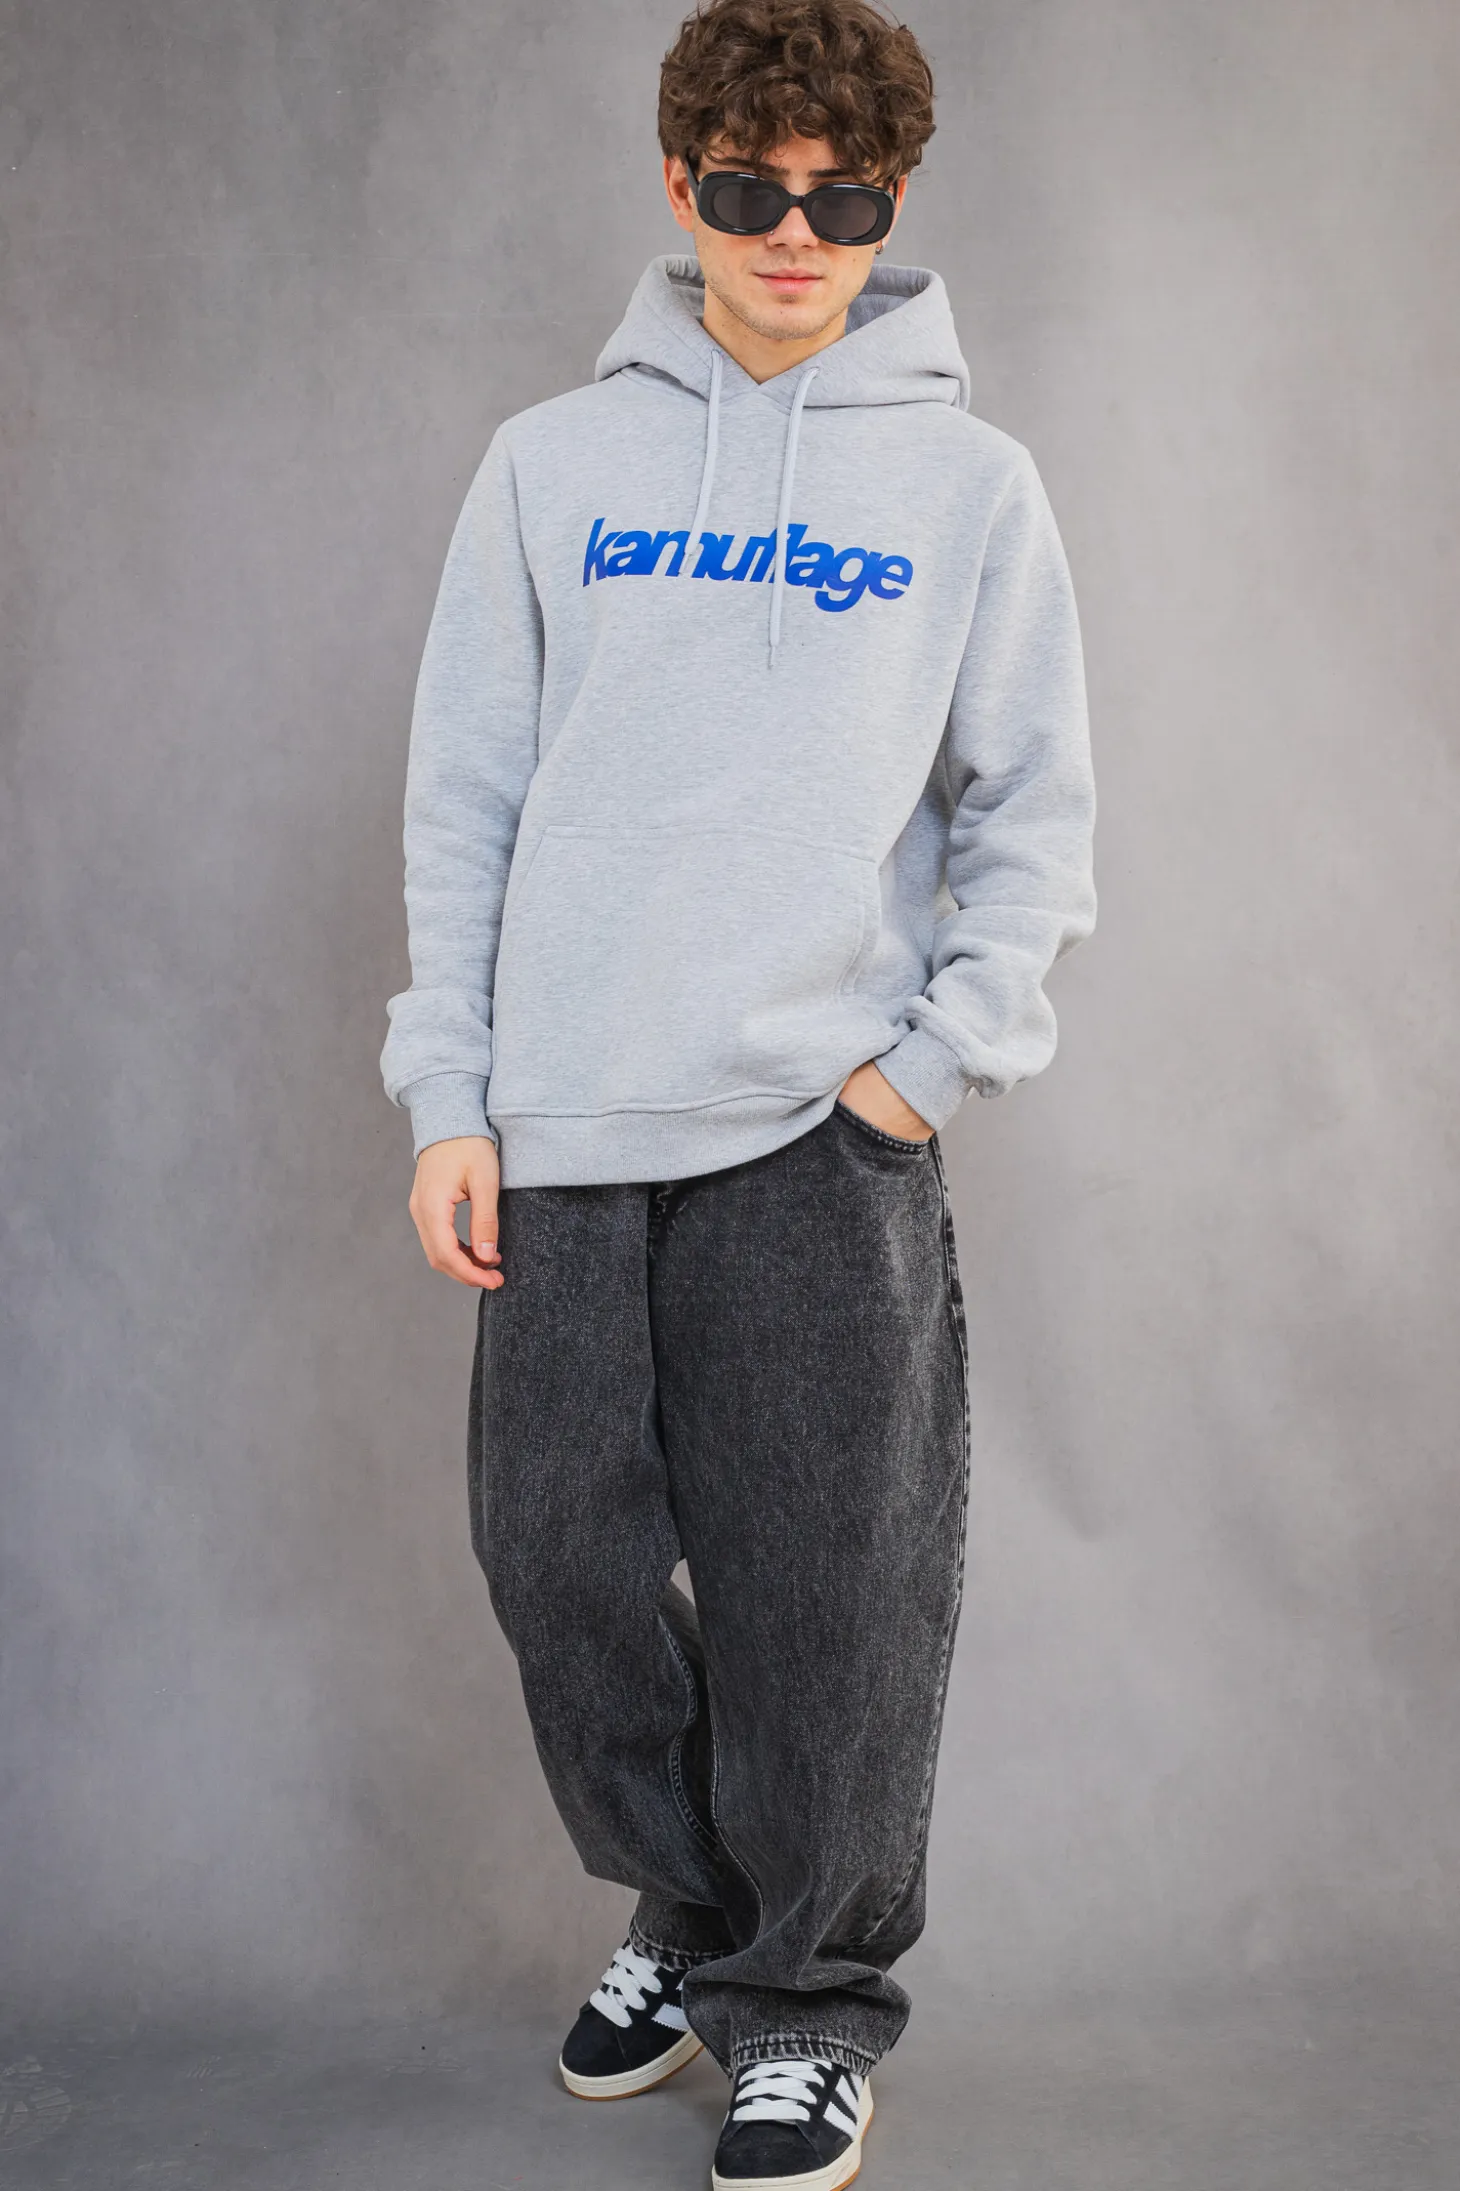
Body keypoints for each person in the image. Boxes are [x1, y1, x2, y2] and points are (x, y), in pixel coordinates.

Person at [380, 2, 1096, 2182]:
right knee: (554, 1564)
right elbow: (464, 799)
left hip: (817, 1134)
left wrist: (929, 1071)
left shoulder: (968, 487)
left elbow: (1032, 815)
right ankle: (696, 1907)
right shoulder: (549, 466)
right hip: (566, 1125)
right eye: (750, 187)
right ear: (678, 182)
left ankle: (803, 2004)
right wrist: (450, 1096)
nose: (796, 232)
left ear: (894, 205)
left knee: (827, 1605)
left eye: (843, 196)